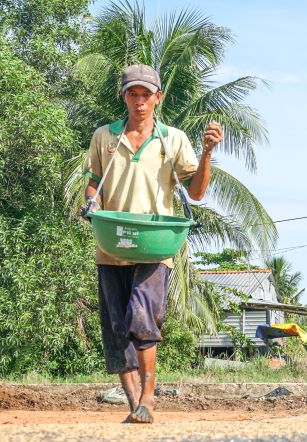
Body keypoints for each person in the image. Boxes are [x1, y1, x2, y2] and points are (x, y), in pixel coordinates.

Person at [82, 64, 223, 423]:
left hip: (155, 245)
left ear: (158, 98)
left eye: (147, 95)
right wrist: (92, 202)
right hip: (112, 245)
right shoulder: (105, 137)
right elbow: (94, 180)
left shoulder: (171, 139)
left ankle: (149, 397)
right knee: (117, 328)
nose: (140, 101)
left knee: (142, 318)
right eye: (133, 94)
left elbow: (197, 191)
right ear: (124, 97)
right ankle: (135, 408)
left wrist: (207, 153)